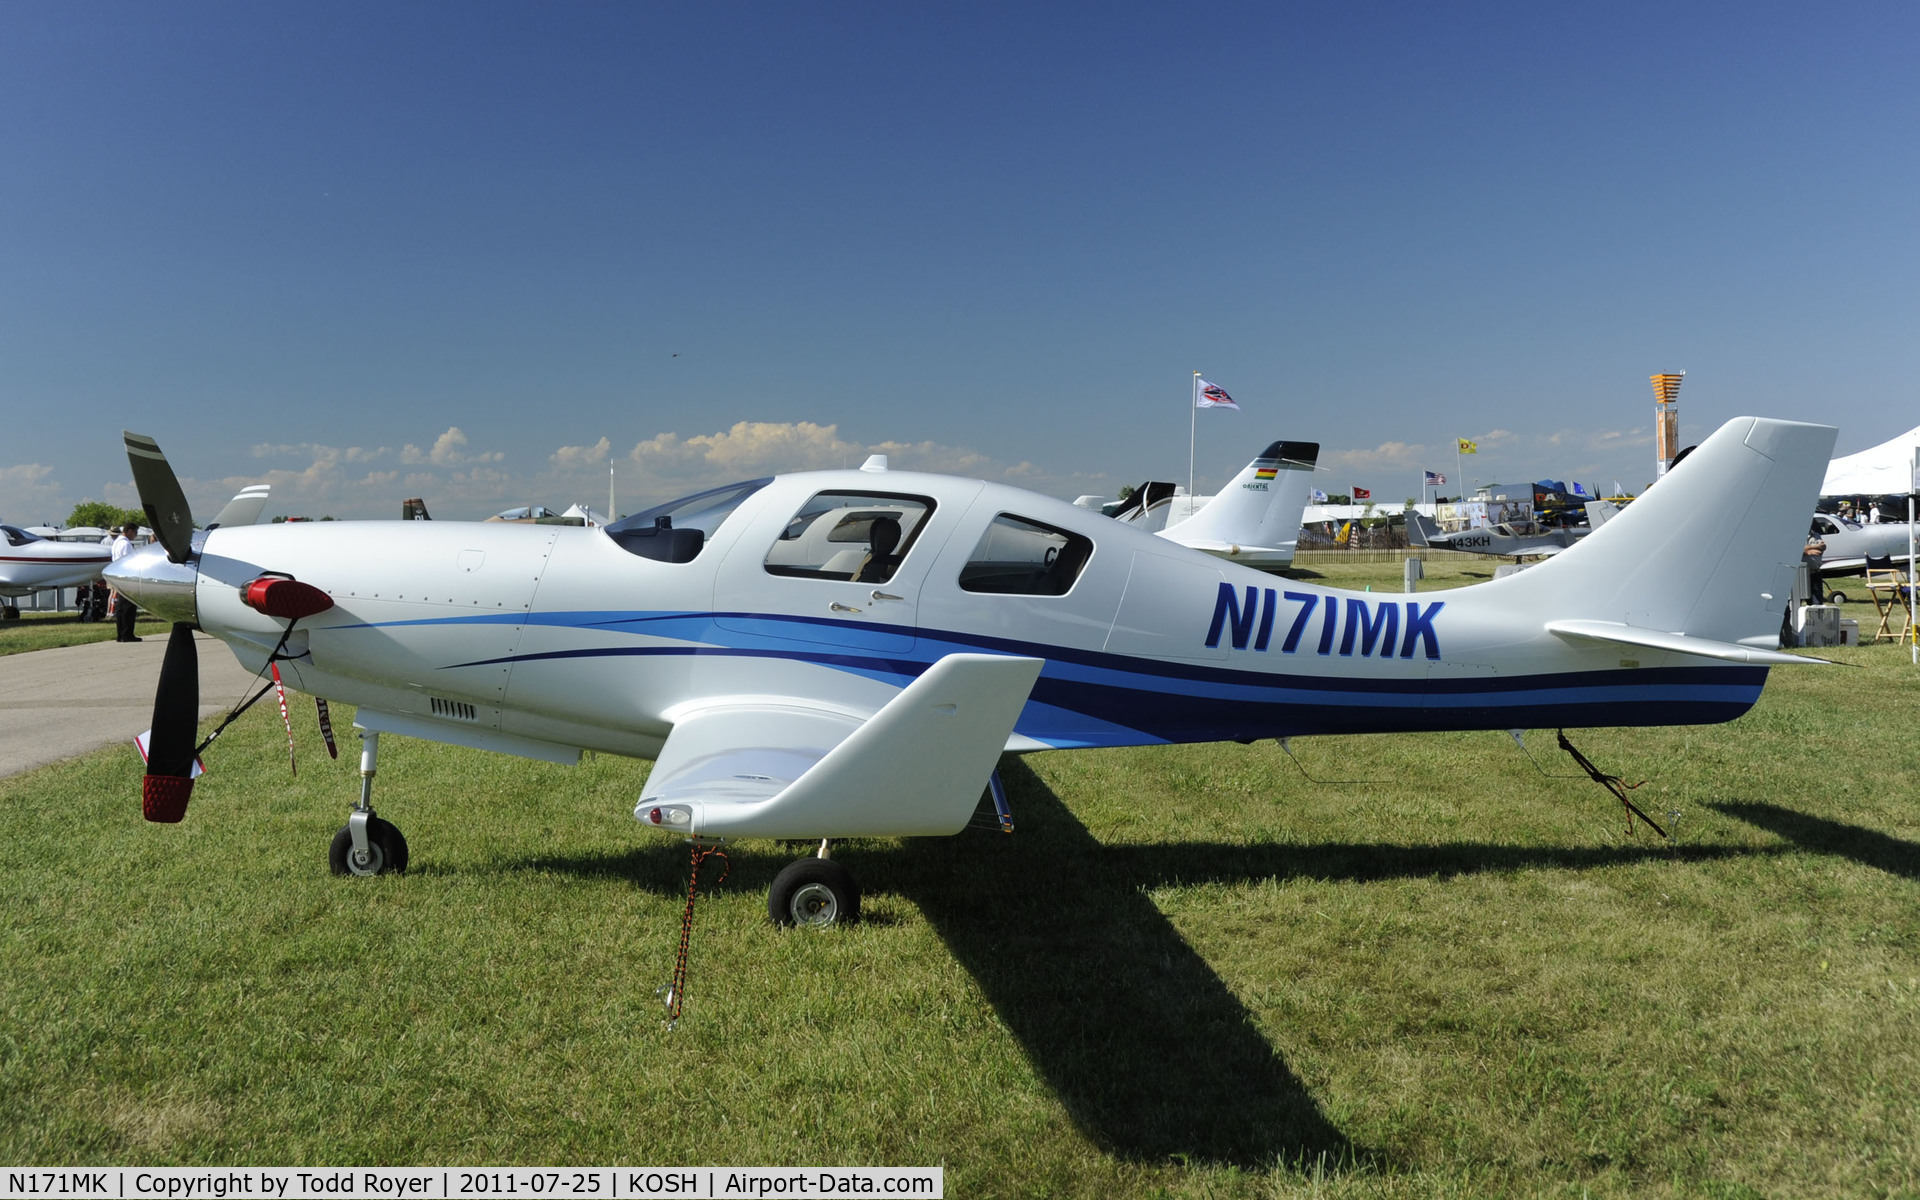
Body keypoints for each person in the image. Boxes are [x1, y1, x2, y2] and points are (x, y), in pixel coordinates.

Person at [110, 522, 141, 642]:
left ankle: (120, 634)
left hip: (118, 575)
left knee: (121, 607)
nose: (136, 535)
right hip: (127, 577)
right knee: (129, 607)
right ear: (129, 531)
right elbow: (130, 562)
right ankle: (127, 634)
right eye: (135, 532)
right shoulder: (126, 544)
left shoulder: (117, 542)